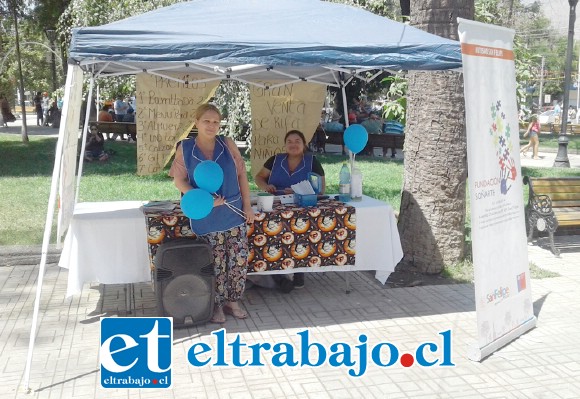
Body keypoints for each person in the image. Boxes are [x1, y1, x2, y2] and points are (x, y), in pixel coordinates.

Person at [170, 103, 254, 324]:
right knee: (215, 262)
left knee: (237, 260)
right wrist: (202, 199)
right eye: (206, 121)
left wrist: (247, 206)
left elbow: (242, 176)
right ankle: (216, 304)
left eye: (216, 122)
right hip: (205, 216)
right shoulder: (185, 148)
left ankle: (233, 301)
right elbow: (179, 180)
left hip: (233, 212)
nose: (211, 125)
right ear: (196, 122)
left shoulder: (227, 144)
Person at [254, 129, 326, 290]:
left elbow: (321, 191)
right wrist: (267, 186)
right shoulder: (275, 160)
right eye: (289, 142)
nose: (293, 145)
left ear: (304, 144)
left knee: (300, 231)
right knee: (270, 232)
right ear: (285, 145)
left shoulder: (312, 161)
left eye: (297, 141)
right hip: (275, 203)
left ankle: (299, 270)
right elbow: (259, 177)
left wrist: (298, 191)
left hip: (302, 206)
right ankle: (274, 270)